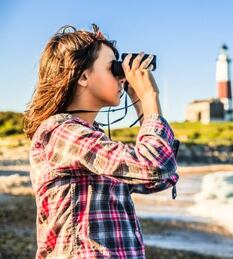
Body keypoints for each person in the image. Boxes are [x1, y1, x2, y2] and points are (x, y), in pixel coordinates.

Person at [23, 24, 179, 259]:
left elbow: (160, 179)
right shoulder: (60, 132)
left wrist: (141, 105)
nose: (121, 76)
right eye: (112, 67)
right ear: (83, 76)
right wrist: (150, 97)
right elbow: (154, 165)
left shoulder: (90, 137)